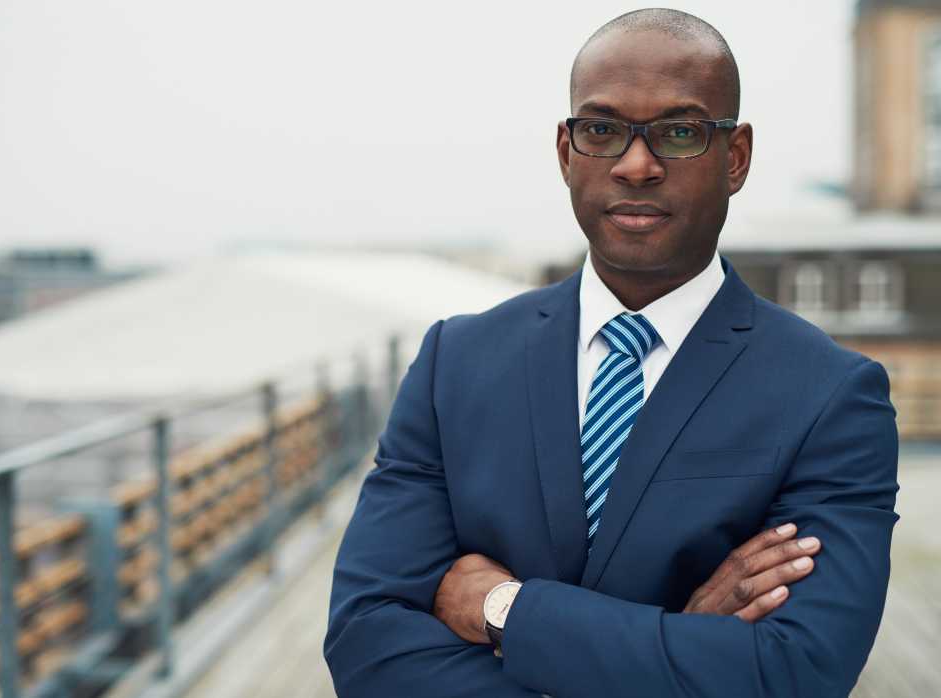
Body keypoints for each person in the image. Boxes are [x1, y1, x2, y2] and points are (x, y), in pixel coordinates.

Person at [324, 8, 899, 698]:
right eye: (602, 130)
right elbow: (365, 641)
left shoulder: (830, 396)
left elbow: (793, 672)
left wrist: (504, 609)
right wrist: (675, 641)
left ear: (736, 157)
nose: (636, 165)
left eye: (680, 133)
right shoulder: (457, 362)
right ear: (567, 152)